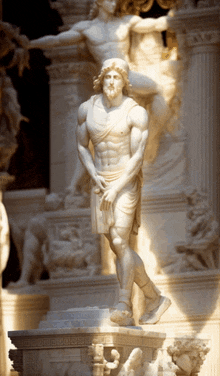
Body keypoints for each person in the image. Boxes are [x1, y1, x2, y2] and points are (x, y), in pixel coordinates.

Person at [30, 0, 176, 195]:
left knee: (155, 89)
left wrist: (175, 16)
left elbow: (154, 24)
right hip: (108, 79)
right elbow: (57, 40)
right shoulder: (86, 28)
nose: (113, 3)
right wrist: (30, 45)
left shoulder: (125, 22)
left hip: (125, 75)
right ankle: (75, 184)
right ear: (98, 2)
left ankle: (155, 139)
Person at [77, 57, 171, 326]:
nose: (111, 82)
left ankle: (124, 304)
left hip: (125, 181)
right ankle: (154, 297)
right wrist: (94, 175)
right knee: (117, 247)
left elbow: (137, 158)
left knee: (120, 242)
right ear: (101, 80)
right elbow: (82, 145)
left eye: (117, 77)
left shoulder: (135, 112)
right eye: (107, 77)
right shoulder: (87, 109)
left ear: (124, 82)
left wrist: (117, 186)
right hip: (101, 183)